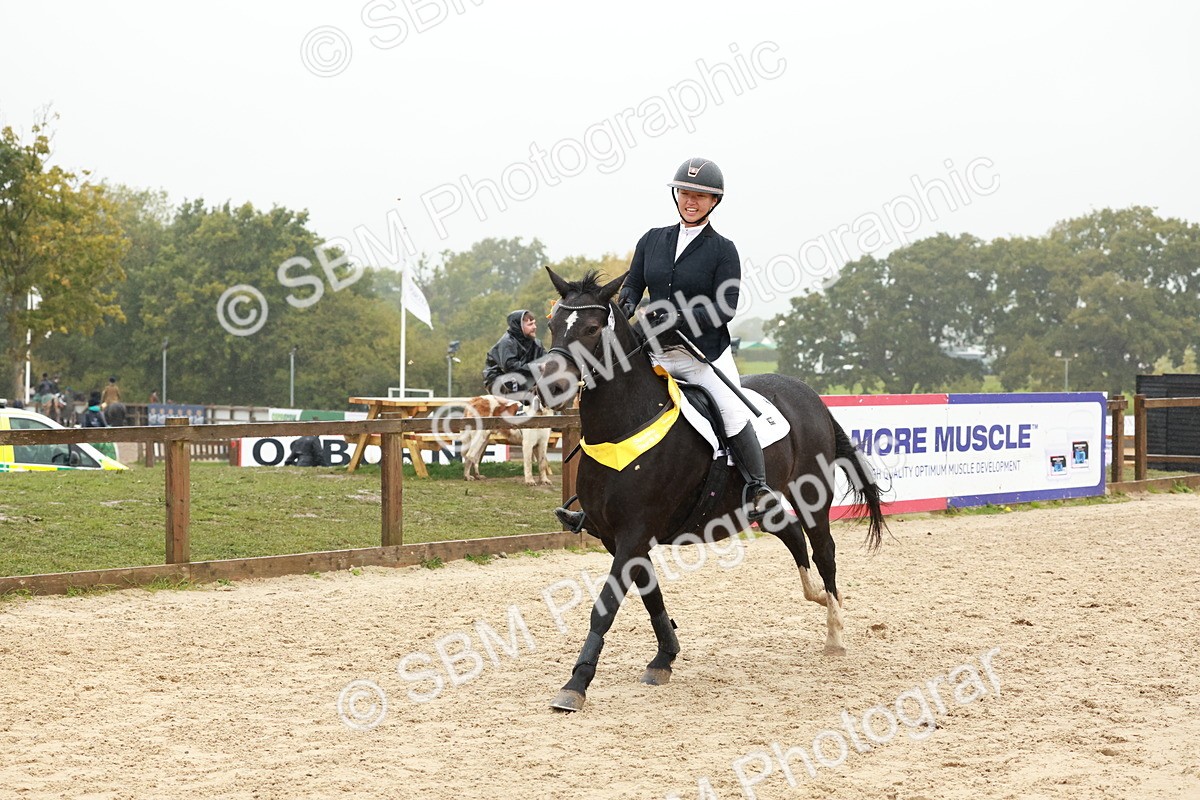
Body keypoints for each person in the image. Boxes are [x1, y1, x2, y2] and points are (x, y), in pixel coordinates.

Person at [557, 157, 777, 530]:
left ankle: (758, 489)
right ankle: (595, 505)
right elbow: (632, 287)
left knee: (733, 412)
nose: (691, 201)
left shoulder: (723, 249)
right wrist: (624, 307)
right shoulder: (652, 239)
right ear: (677, 196)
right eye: (686, 193)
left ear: (714, 202)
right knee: (608, 400)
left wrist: (683, 318)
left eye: (700, 196)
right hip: (653, 350)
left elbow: (725, 306)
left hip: (701, 355)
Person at [482, 309, 546, 397]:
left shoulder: (537, 343)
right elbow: (511, 367)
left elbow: (547, 359)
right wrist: (539, 367)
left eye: (534, 323)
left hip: (523, 379)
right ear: (519, 326)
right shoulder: (507, 342)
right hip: (499, 379)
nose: (534, 327)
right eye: (530, 324)